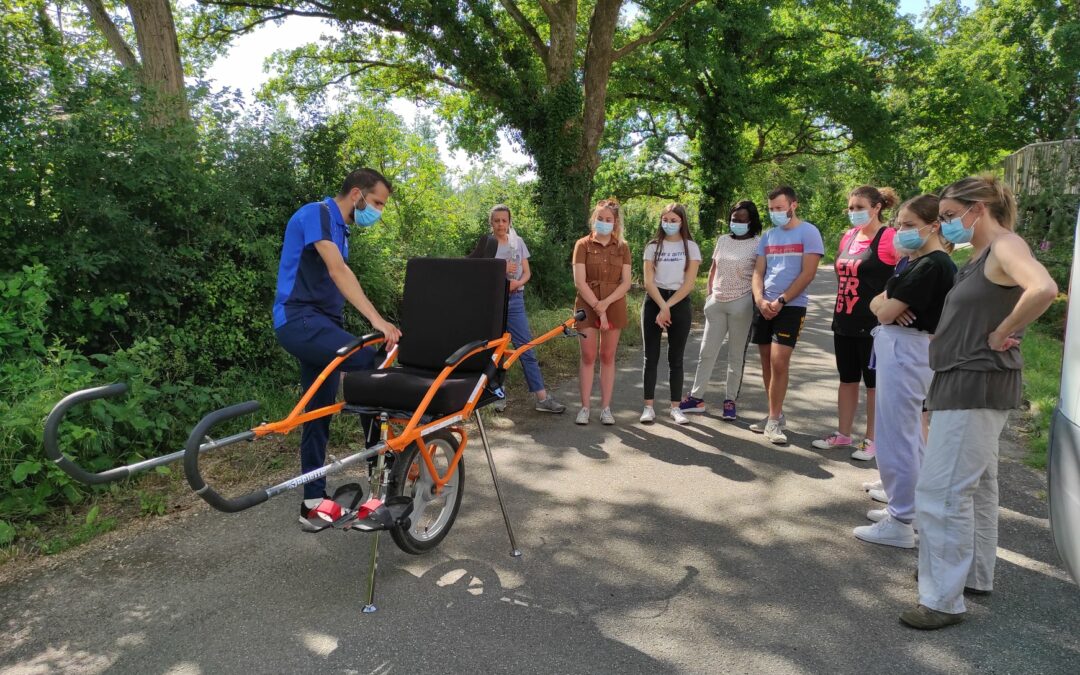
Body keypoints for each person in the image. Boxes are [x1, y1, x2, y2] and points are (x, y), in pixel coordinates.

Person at [901, 175, 1057, 630]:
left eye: (950, 216)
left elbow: (1044, 288)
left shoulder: (1006, 246)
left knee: (941, 491)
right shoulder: (979, 255)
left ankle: (941, 599)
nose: (946, 224)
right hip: (962, 382)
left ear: (979, 209)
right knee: (977, 487)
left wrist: (1004, 330)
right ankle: (971, 575)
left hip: (976, 382)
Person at [273, 168, 402, 532]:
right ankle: (383, 466)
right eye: (377, 203)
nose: (378, 211)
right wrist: (377, 320)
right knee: (372, 360)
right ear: (357, 194)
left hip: (319, 327)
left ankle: (312, 504)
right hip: (299, 320)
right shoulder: (318, 213)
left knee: (319, 412)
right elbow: (337, 271)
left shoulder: (341, 228)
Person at [852, 194, 956, 549]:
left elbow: (881, 311)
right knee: (905, 432)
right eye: (899, 225)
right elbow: (878, 301)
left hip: (908, 351)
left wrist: (887, 306)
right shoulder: (915, 261)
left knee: (899, 435)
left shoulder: (932, 265)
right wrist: (888, 304)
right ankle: (909, 507)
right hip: (901, 347)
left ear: (933, 226)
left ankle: (901, 519)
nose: (902, 231)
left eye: (910, 225)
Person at [813, 186, 900, 459]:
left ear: (876, 208)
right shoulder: (848, 237)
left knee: (874, 384)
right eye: (850, 208)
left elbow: (905, 273)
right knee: (847, 379)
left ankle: (872, 440)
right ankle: (843, 434)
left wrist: (895, 305)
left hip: (874, 324)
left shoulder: (889, 238)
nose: (854, 213)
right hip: (844, 320)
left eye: (859, 207)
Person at [749, 186, 825, 444]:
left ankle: (773, 422)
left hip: (791, 306)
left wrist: (781, 300)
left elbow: (808, 273)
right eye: (771, 209)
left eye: (779, 208)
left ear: (793, 205)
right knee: (767, 362)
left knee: (780, 362)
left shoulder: (809, 232)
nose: (774, 213)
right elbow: (759, 271)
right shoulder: (768, 236)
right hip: (764, 306)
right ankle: (774, 414)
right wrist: (760, 300)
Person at [680, 201, 763, 421]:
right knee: (706, 353)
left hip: (742, 304)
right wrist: (709, 296)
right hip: (716, 303)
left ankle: (730, 401)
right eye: (734, 218)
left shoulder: (758, 243)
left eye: (742, 219)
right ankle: (696, 397)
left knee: (735, 357)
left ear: (751, 221)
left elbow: (759, 274)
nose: (736, 222)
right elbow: (713, 269)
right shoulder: (723, 240)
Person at [487, 205, 566, 414]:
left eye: (504, 220)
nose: (501, 224)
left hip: (515, 300)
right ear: (491, 223)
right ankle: (497, 397)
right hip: (495, 301)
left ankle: (542, 398)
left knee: (525, 347)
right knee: (497, 350)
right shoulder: (488, 244)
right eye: (497, 221)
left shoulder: (517, 242)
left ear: (509, 222)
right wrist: (501, 268)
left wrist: (516, 283)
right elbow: (477, 271)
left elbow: (527, 272)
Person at [640, 203, 702, 425]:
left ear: (682, 222)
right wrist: (661, 305)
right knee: (651, 357)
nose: (669, 224)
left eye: (674, 220)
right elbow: (648, 281)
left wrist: (668, 306)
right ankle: (648, 407)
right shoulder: (652, 246)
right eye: (665, 220)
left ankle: (676, 408)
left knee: (676, 358)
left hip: (679, 301)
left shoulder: (691, 247)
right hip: (654, 299)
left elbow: (689, 283)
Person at [573, 198, 633, 425]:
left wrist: (606, 305)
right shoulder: (582, 245)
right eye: (600, 218)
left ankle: (606, 408)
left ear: (615, 222)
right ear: (594, 219)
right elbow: (580, 282)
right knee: (588, 356)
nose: (604, 222)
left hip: (614, 303)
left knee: (607, 356)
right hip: (587, 304)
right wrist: (598, 307)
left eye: (608, 219)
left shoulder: (623, 247)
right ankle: (585, 407)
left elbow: (626, 283)